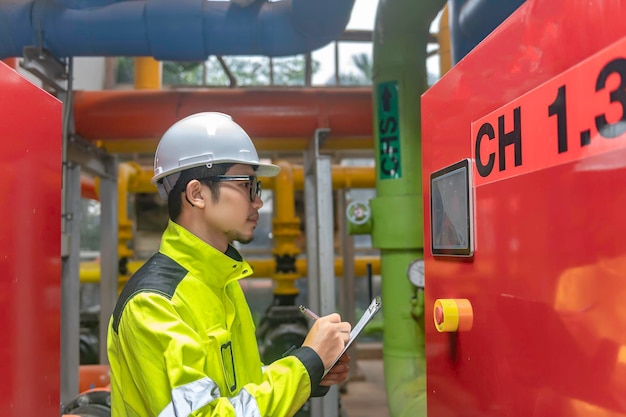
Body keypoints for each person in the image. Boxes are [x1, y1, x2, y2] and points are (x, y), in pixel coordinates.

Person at [107, 112, 352, 417]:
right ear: (197, 194)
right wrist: (306, 364)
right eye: (247, 185)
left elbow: (237, 389)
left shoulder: (219, 281)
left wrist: (311, 371)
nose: (258, 201)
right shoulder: (153, 304)